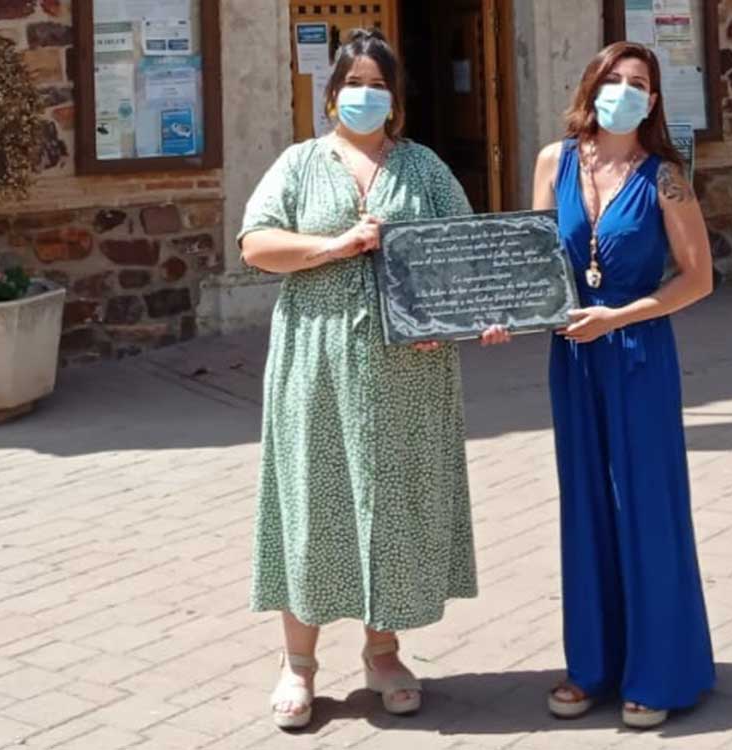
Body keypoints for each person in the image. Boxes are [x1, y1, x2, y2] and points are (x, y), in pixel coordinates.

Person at [238, 28, 483, 730]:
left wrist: (464, 315)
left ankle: (383, 653)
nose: (366, 95)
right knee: (312, 498)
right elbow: (257, 243)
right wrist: (335, 246)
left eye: (378, 85)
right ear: (332, 92)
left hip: (410, 363)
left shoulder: (425, 169)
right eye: (354, 83)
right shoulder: (299, 163)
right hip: (314, 357)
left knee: (395, 502)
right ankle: (298, 663)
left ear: (395, 98)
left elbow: (464, 253)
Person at [481, 41, 716, 729]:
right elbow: (536, 266)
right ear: (593, 85)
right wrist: (505, 318)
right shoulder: (554, 161)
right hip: (573, 358)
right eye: (614, 79)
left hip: (637, 350)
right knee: (585, 506)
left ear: (652, 100)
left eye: (638, 83)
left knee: (644, 505)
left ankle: (659, 672)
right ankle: (592, 667)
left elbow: (697, 279)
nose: (624, 91)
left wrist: (620, 316)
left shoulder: (665, 177)